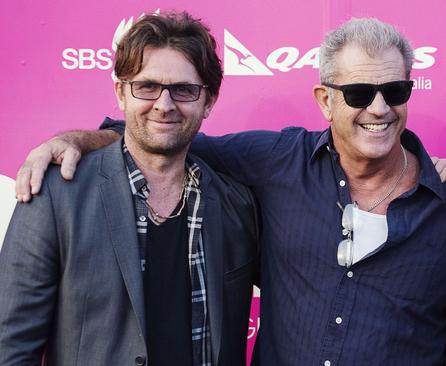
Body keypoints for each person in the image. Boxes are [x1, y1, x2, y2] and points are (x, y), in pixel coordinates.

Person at [14, 18, 446, 365]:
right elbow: (163, 136)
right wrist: (76, 139)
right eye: (360, 93)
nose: (379, 108)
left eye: (395, 90)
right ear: (326, 100)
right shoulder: (276, 163)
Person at [0, 12, 259, 366]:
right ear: (121, 93)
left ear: (208, 101)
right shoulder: (57, 196)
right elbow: (10, 345)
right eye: (147, 86)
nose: (164, 105)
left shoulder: (236, 204)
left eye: (184, 90)